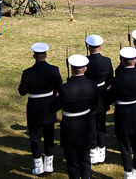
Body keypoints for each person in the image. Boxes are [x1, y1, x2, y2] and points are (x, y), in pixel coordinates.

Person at [19, 42, 63, 176]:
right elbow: (59, 89)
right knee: (49, 136)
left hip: (34, 107)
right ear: (46, 55)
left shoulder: (27, 73)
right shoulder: (54, 70)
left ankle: (38, 166)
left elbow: (22, 91)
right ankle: (48, 164)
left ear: (34, 56)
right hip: (49, 106)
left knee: (35, 137)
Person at [51, 53, 97, 179]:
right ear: (85, 69)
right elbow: (95, 105)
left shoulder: (65, 88)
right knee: (85, 157)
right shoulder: (92, 84)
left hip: (70, 126)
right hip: (86, 123)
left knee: (72, 160)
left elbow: (53, 107)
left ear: (71, 70)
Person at [110, 47, 136, 179]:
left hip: (122, 114)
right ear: (135, 61)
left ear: (122, 62)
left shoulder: (117, 80)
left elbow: (110, 98)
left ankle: (128, 173)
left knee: (125, 147)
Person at [85, 34, 113, 165]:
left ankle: (92, 151)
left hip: (89, 95)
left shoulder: (85, 61)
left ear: (88, 47)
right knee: (101, 125)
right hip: (102, 94)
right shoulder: (107, 61)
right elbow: (110, 78)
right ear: (100, 47)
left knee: (90, 126)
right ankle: (102, 151)